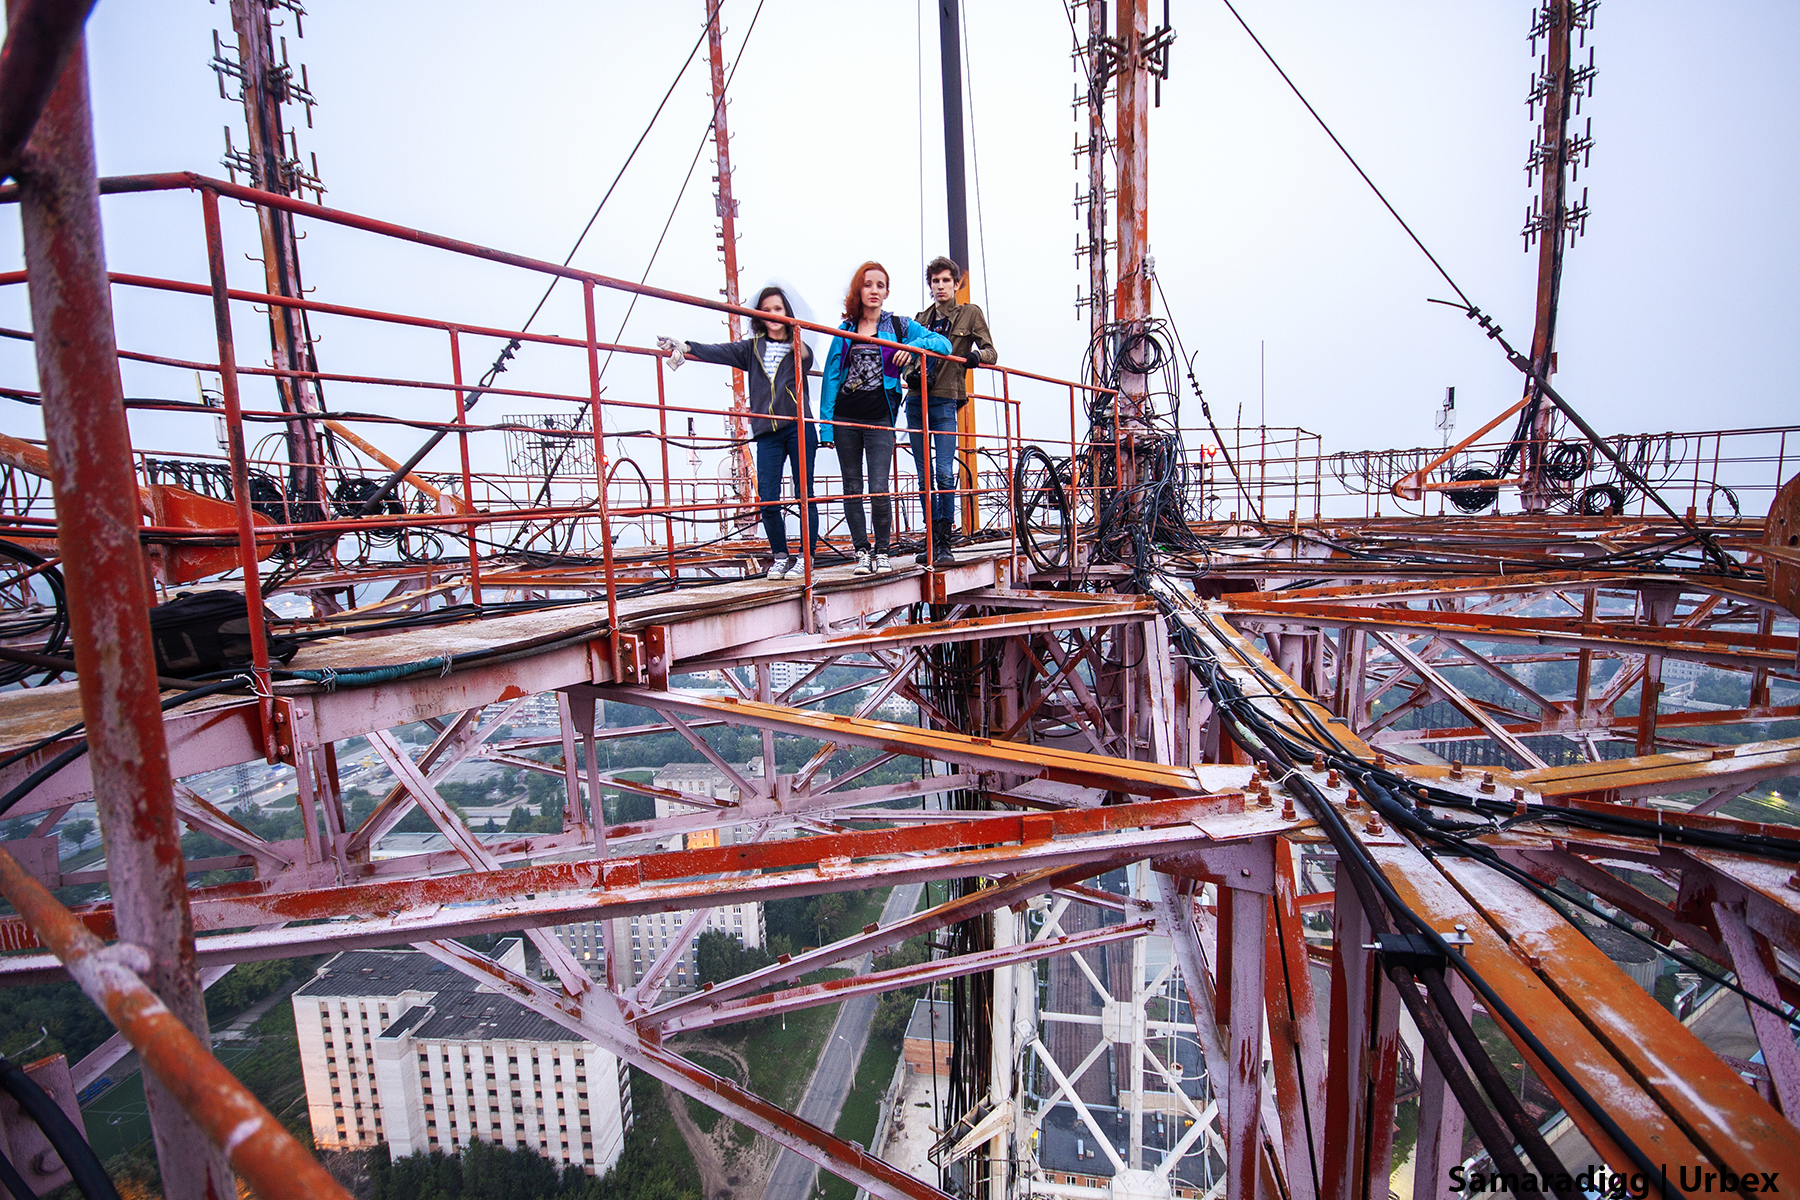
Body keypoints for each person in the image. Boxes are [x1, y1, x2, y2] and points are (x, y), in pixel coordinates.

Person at [658, 286, 819, 580]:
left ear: (787, 313)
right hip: (766, 431)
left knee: (803, 495)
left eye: (778, 309)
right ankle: (781, 556)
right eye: (766, 309)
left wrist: (798, 337)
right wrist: (688, 346)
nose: (772, 315)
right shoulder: (751, 348)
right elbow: (720, 352)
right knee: (767, 497)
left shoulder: (798, 344)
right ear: (758, 315)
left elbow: (808, 359)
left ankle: (806, 558)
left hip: (799, 427)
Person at [820, 261, 950, 575]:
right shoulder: (846, 330)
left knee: (879, 487)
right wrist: (826, 426)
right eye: (868, 285)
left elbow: (943, 344)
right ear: (859, 290)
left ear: (887, 291)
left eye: (880, 285)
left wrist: (912, 345)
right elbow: (831, 377)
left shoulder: (900, 326)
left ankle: (882, 551)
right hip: (845, 418)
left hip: (880, 417)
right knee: (852, 487)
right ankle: (861, 551)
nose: (874, 291)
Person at [895, 255, 996, 565]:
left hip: (945, 397)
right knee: (924, 474)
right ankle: (931, 537)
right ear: (930, 286)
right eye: (935, 282)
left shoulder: (970, 314)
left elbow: (991, 351)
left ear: (956, 284)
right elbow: (903, 351)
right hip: (915, 398)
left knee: (943, 472)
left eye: (945, 281)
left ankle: (944, 541)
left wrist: (975, 357)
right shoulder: (920, 318)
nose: (940, 286)